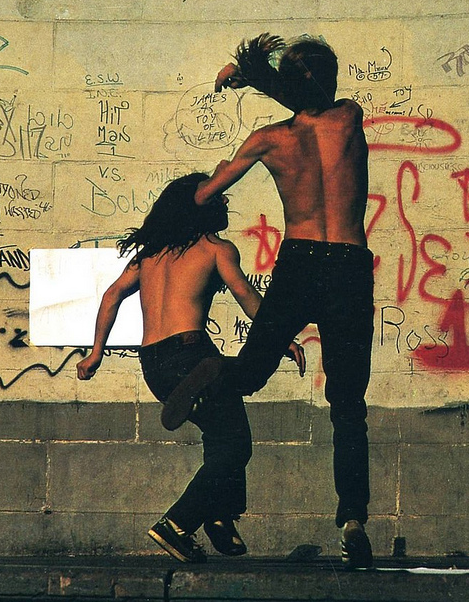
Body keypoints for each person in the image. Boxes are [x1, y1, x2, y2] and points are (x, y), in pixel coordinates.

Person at [163, 33, 376, 569]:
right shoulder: (350, 117)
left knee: (252, 374)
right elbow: (309, 96)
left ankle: (212, 370)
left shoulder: (266, 140)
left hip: (299, 262)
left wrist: (245, 76)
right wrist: (257, 76)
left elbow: (205, 195)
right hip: (349, 265)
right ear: (329, 80)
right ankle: (352, 518)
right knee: (348, 404)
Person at [76, 172, 305, 564]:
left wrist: (95, 353)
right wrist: (280, 338)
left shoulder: (149, 253)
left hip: (154, 365)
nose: (225, 205)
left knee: (222, 437)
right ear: (205, 206)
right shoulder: (215, 249)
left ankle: (219, 516)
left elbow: (112, 294)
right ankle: (179, 523)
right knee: (235, 446)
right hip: (191, 354)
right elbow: (246, 294)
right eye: (218, 199)